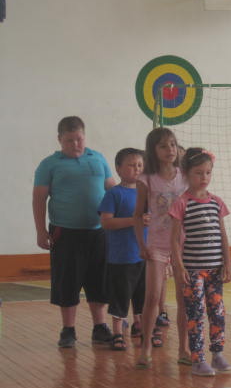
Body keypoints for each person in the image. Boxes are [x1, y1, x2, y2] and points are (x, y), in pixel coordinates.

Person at [32, 116, 116, 347]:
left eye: (79, 139)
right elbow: (39, 198)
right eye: (69, 140)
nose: (75, 144)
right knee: (67, 280)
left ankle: (100, 327)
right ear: (60, 139)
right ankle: (68, 330)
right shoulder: (49, 164)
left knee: (99, 279)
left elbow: (112, 190)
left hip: (98, 232)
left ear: (84, 136)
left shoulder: (98, 158)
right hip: (65, 232)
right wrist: (40, 231)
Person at [170, 147, 231, 376]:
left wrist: (227, 263)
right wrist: (180, 267)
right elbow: (174, 239)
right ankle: (197, 359)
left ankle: (217, 354)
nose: (204, 177)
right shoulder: (182, 202)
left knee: (217, 311)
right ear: (187, 174)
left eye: (208, 172)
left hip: (215, 270)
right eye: (198, 173)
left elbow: (222, 235)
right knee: (195, 313)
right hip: (193, 271)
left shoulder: (216, 202)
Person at [134, 127, 189, 369]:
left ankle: (184, 348)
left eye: (173, 144)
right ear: (153, 151)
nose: (170, 150)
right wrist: (141, 243)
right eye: (163, 146)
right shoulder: (146, 179)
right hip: (156, 244)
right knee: (153, 296)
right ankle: (146, 347)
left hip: (183, 245)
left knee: (183, 298)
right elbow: (138, 214)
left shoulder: (185, 176)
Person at [98, 148, 149, 350]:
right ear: (118, 169)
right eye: (131, 165)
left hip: (143, 255)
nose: (137, 169)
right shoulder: (114, 194)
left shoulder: (146, 193)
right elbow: (106, 222)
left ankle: (140, 325)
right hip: (121, 257)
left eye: (140, 165)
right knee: (120, 296)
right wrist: (134, 220)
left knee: (142, 294)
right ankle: (118, 332)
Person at [156, 144, 188, 328]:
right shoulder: (161, 182)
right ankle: (160, 310)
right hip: (163, 236)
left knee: (180, 279)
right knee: (161, 276)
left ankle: (185, 314)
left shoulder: (188, 182)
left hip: (183, 238)